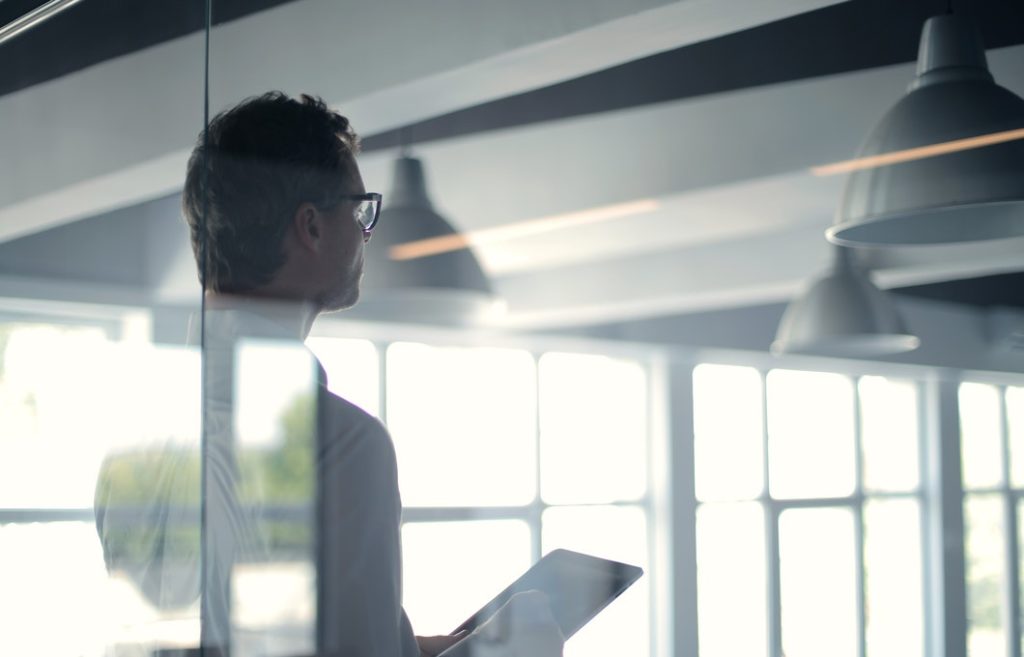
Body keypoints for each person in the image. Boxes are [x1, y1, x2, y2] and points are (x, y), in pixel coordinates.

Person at [174, 91, 563, 657]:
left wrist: (408, 645)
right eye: (360, 212)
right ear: (310, 226)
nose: (365, 233)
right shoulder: (340, 445)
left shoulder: (141, 439)